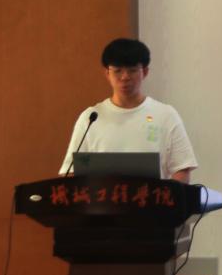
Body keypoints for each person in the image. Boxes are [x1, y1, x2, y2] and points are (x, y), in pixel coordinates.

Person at [59, 38, 198, 182]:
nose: (125, 77)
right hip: (101, 197)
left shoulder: (166, 115)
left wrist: (171, 195)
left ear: (145, 72)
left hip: (151, 197)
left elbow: (182, 169)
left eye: (132, 70)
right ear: (107, 73)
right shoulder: (91, 118)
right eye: (117, 71)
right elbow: (71, 172)